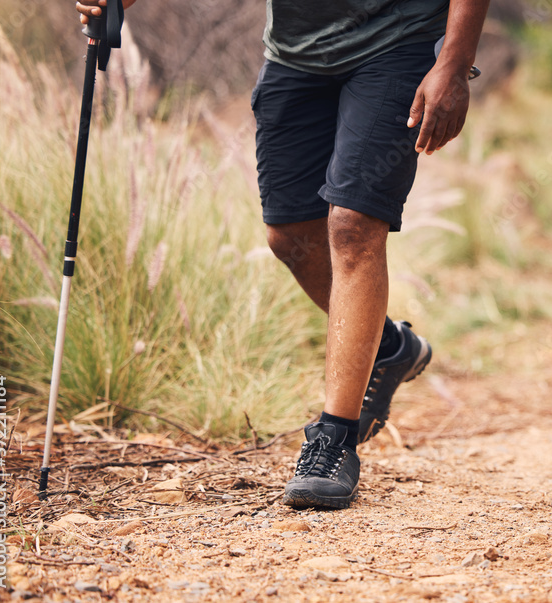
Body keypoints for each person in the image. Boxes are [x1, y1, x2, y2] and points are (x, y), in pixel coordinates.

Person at [78, 0, 490, 509]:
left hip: (398, 42)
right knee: (287, 236)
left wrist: (453, 61)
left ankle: (333, 441)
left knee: (353, 226)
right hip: (296, 54)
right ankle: (387, 346)